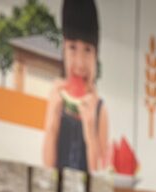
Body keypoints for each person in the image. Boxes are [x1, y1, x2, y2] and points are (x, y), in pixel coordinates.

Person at [42, 0, 109, 173]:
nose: (80, 63)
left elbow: (100, 175)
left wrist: (89, 131)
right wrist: (52, 125)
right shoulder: (55, 98)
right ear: (63, 50)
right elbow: (47, 169)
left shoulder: (101, 109)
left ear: (96, 56)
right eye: (72, 48)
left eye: (87, 50)